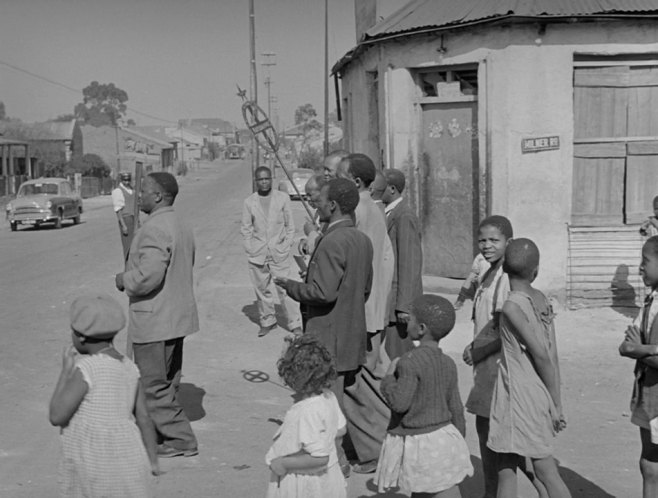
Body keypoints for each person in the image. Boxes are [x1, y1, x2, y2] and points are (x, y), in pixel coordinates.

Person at [275, 178, 373, 476]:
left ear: (332, 205)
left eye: (319, 200)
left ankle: (336, 462)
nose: (315, 204)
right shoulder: (361, 240)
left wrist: (292, 286)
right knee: (336, 400)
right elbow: (362, 289)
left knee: (326, 405)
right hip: (350, 333)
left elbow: (323, 293)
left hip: (328, 337)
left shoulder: (333, 241)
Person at [115, 172, 199, 458]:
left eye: (145, 191)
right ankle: (166, 434)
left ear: (159, 196)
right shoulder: (180, 222)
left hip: (155, 320)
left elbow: (148, 277)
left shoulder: (154, 228)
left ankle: (181, 438)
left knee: (152, 385)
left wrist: (124, 279)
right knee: (168, 380)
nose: (139, 196)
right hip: (176, 317)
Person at [49, 293, 159, 497]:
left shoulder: (87, 368)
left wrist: (66, 371)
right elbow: (144, 418)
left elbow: (57, 416)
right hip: (127, 459)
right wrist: (152, 460)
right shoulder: (130, 368)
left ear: (81, 336)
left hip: (93, 463)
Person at [488, 239, 571, 498]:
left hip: (516, 396)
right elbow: (553, 354)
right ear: (535, 271)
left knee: (543, 470)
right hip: (536, 393)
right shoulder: (541, 299)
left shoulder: (512, 307)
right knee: (506, 464)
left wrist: (554, 404)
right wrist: (554, 399)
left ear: (503, 269)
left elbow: (542, 356)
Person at [375, 294, 473, 497]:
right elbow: (455, 406)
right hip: (444, 437)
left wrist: (388, 380)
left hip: (419, 443)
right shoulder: (448, 363)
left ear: (421, 329)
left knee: (421, 489)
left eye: (409, 319)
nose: (406, 323)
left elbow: (400, 403)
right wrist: (458, 441)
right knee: (446, 487)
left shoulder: (408, 362)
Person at [336, 153, 395, 474]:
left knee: (360, 382)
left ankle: (376, 450)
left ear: (356, 182)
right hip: (372, 306)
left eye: (339, 175)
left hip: (362, 309)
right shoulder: (372, 209)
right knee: (366, 376)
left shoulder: (358, 211)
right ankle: (370, 446)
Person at [462, 215, 512, 498]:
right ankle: (490, 490)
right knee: (485, 427)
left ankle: (493, 491)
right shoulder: (487, 271)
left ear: (508, 242)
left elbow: (504, 324)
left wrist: (479, 349)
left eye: (494, 240)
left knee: (494, 431)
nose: (487, 245)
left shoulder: (505, 277)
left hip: (497, 363)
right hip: (485, 364)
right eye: (482, 240)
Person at [265, 335, 347, 498]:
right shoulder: (328, 396)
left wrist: (282, 463)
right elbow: (341, 430)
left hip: (306, 483)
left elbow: (319, 458)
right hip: (329, 477)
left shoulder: (306, 411)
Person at [241, 166, 302, 337]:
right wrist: (250, 248)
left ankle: (294, 323)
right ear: (256, 181)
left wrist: (286, 245)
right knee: (262, 290)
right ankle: (268, 321)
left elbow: (291, 227)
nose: (264, 182)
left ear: (271, 179)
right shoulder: (249, 202)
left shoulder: (282, 199)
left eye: (267, 178)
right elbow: (246, 229)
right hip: (258, 254)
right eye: (260, 179)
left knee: (285, 290)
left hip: (279, 253)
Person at [620, 235, 658, 498]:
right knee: (649, 464)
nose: (640, 267)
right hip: (649, 396)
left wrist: (640, 349)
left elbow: (633, 348)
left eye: (645, 261)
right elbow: (625, 346)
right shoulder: (650, 301)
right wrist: (649, 350)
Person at [381, 168, 423, 360]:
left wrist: (404, 306)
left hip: (399, 303)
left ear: (391, 189)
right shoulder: (388, 213)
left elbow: (409, 262)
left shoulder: (404, 216)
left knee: (397, 357)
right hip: (389, 300)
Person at [112, 171, 136, 261]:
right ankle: (128, 266)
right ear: (122, 180)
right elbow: (118, 210)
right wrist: (123, 225)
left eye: (128, 180)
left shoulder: (132, 190)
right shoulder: (118, 191)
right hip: (126, 219)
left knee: (136, 244)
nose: (127, 182)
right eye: (125, 180)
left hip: (134, 219)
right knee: (128, 246)